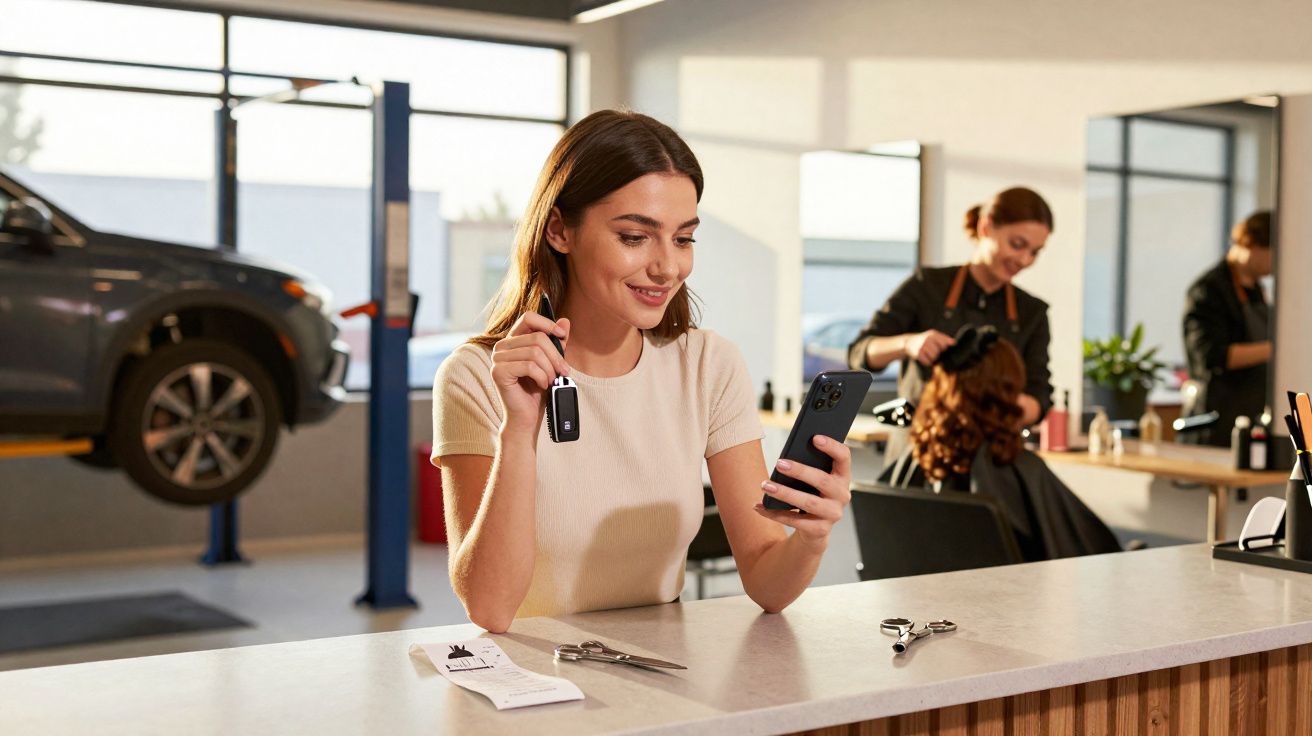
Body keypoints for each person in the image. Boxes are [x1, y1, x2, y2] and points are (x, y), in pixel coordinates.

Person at [432, 110, 852, 633]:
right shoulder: (476, 376)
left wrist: (812, 537)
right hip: (531, 672)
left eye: (684, 239)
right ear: (560, 230)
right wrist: (518, 431)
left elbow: (767, 584)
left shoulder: (708, 365)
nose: (668, 267)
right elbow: (490, 610)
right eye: (635, 237)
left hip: (662, 668)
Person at [882, 325, 1122, 561]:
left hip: (928, 586)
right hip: (1011, 586)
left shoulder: (919, 458)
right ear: (1009, 392)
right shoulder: (1023, 468)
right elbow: (1093, 551)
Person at [848, 187, 1055, 434]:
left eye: (1034, 252)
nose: (1024, 260)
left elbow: (1040, 397)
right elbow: (860, 353)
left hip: (992, 450)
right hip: (919, 443)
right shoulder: (927, 286)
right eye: (1017, 244)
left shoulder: (1031, 312)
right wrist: (908, 343)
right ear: (986, 227)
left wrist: (1003, 405)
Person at [1182, 211, 1273, 446]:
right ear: (1251, 244)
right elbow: (1210, 355)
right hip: (1216, 418)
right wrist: (1274, 349)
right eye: (1273, 252)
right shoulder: (1208, 291)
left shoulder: (1257, 291)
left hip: (1252, 413)